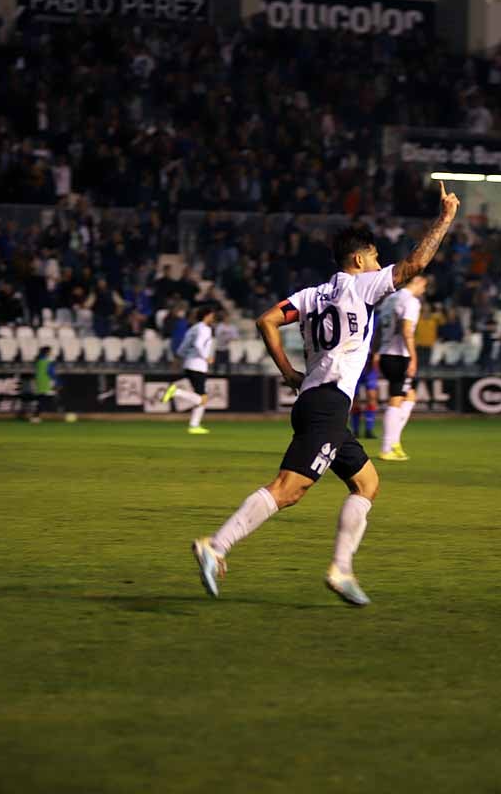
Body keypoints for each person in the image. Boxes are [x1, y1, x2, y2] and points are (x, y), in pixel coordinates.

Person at [191, 181, 459, 607]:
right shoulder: (364, 286)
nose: (378, 265)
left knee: (367, 483)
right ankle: (216, 546)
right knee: (288, 489)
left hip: (316, 400)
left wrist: (290, 373)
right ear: (359, 259)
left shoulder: (310, 295)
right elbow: (415, 264)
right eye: (374, 258)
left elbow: (265, 321)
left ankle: (341, 569)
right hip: (329, 403)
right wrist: (444, 219)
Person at [377, 274, 427, 461]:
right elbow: (407, 331)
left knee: (410, 395)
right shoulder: (411, 302)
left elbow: (379, 327)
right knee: (397, 398)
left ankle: (394, 442)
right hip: (400, 355)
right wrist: (413, 358)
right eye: (424, 285)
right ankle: (387, 447)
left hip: (385, 352)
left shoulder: (390, 299)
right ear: (418, 282)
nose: (424, 290)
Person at [163, 305, 216, 434]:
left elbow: (183, 346)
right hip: (198, 365)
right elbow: (198, 344)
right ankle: (176, 392)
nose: (213, 318)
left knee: (201, 396)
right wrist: (206, 357)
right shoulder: (205, 329)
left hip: (188, 364)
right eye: (212, 316)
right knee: (202, 399)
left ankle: (194, 425)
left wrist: (177, 359)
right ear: (207, 316)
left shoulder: (192, 328)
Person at [26, 345, 61, 423]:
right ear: (47, 352)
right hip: (45, 382)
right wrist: (58, 382)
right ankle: (36, 416)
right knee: (45, 399)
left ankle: (35, 415)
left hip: (38, 381)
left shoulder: (38, 361)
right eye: (50, 351)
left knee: (41, 399)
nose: (51, 353)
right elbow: (51, 373)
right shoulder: (48, 362)